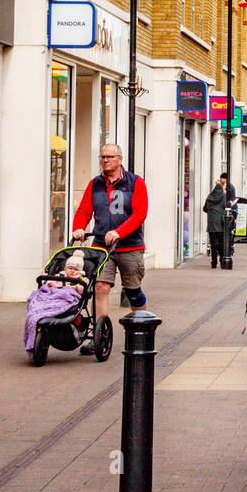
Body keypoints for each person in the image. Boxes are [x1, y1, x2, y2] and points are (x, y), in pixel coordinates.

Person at [72, 143, 148, 352]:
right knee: (100, 288)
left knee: (133, 292)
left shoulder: (135, 182)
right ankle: (101, 335)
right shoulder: (95, 184)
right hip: (101, 247)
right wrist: (78, 227)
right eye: (103, 157)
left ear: (120, 159)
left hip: (129, 246)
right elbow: (84, 210)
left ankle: (144, 328)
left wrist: (119, 232)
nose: (105, 160)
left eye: (110, 157)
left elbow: (139, 214)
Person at [23, 250, 87, 353]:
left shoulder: (81, 279)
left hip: (68, 299)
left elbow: (81, 290)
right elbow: (48, 284)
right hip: (52, 297)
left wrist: (71, 285)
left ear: (80, 271)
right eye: (70, 268)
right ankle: (41, 312)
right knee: (38, 297)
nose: (72, 271)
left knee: (65, 294)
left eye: (76, 269)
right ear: (65, 268)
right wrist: (51, 285)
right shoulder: (59, 276)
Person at [203, 173, 235, 269]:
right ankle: (222, 260)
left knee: (213, 244)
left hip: (211, 225)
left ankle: (213, 262)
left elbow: (204, 209)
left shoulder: (209, 197)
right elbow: (228, 207)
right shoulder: (224, 197)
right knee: (221, 243)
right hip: (221, 224)